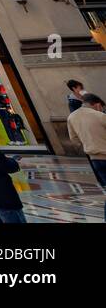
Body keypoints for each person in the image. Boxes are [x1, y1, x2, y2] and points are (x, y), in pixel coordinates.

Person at [66, 92, 106, 221]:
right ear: (97, 104)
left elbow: (74, 140)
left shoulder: (72, 117)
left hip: (95, 160)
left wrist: (89, 145)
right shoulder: (100, 116)